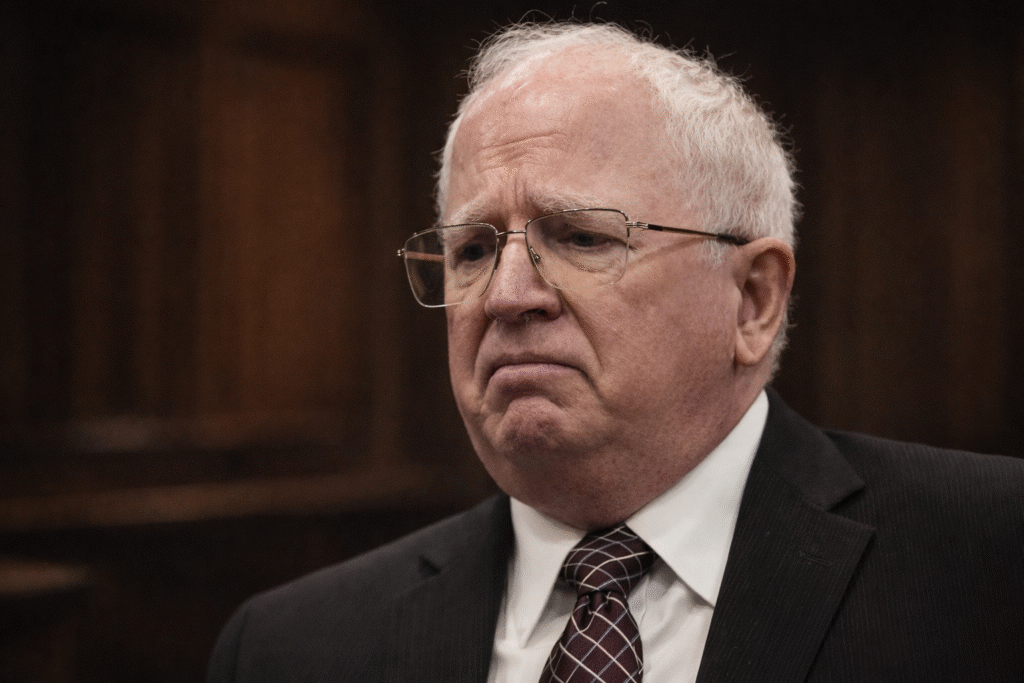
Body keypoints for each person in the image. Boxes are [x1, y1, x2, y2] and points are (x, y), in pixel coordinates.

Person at [207, 21, 1024, 683]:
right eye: (471, 250)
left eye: (582, 237)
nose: (506, 294)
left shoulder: (987, 559)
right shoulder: (292, 646)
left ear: (754, 300)